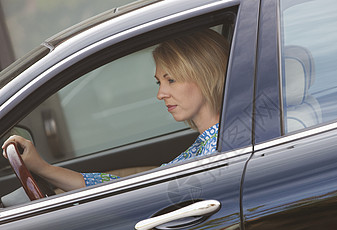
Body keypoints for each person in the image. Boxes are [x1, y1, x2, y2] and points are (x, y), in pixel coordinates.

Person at [2, 29, 229, 192]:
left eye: (171, 80)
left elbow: (144, 195)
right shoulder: (212, 141)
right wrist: (42, 167)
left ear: (204, 76)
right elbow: (134, 188)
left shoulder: (218, 148)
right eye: (159, 82)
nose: (161, 94)